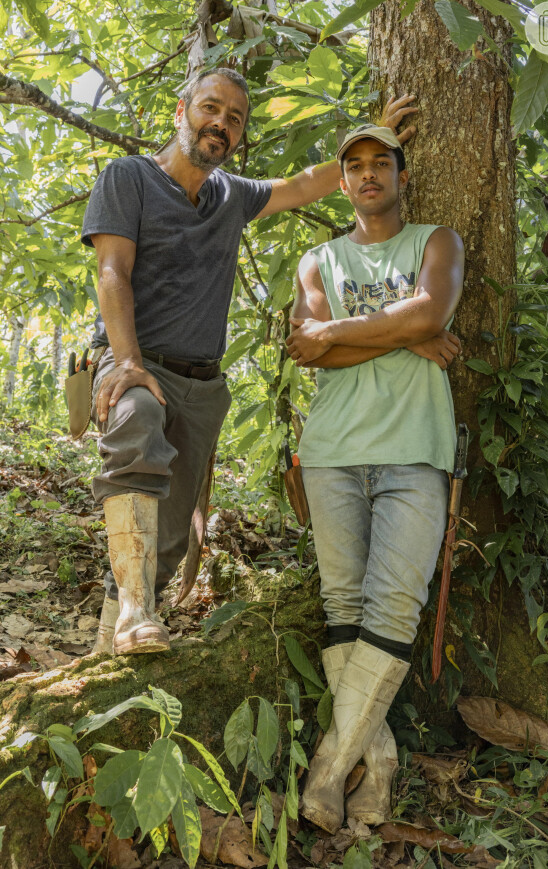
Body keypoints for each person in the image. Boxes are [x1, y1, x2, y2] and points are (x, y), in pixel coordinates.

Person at [82, 67, 417, 656]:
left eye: (235, 118)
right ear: (182, 109)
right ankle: (135, 612)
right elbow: (113, 272)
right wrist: (127, 364)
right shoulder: (129, 176)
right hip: (137, 362)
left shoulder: (229, 195)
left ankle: (111, 647)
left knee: (166, 535)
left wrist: (375, 135)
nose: (222, 124)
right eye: (211, 109)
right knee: (134, 424)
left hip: (201, 384)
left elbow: (304, 185)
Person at [285, 123, 464, 834]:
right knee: (344, 602)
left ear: (400, 174)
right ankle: (380, 764)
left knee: (393, 605)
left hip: (417, 446)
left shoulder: (436, 241)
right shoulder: (318, 257)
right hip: (331, 446)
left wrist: (347, 329)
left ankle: (331, 767)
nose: (366, 175)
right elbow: (309, 349)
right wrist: (406, 334)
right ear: (343, 178)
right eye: (353, 165)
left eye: (379, 163)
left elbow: (432, 309)